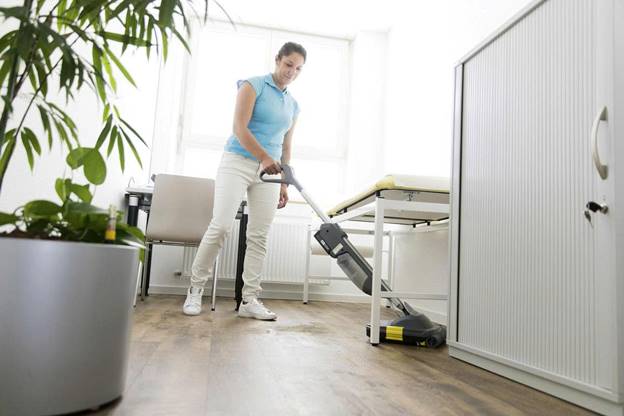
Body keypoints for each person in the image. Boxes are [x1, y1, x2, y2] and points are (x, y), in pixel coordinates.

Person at [182, 42, 306, 320]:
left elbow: (286, 146)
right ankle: (195, 289)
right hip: (237, 162)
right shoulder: (253, 85)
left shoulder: (293, 105)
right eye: (288, 64)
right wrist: (263, 157)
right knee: (221, 225)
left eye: (298, 69)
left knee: (259, 235)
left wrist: (284, 182)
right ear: (277, 60)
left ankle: (249, 300)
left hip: (270, 173)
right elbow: (239, 128)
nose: (292, 72)